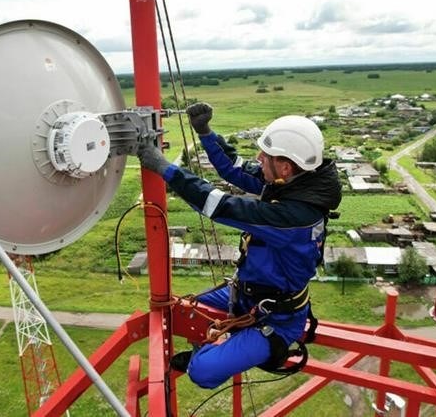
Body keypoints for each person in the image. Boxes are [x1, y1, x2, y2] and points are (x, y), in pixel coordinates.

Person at [137, 102, 342, 389]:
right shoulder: (291, 183)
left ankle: (207, 353)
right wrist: (206, 132)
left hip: (277, 318)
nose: (258, 158)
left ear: (285, 165)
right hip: (247, 293)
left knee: (203, 373)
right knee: (182, 310)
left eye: (265, 156)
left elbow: (219, 205)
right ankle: (222, 344)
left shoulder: (295, 217)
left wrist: (163, 168)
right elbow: (234, 169)